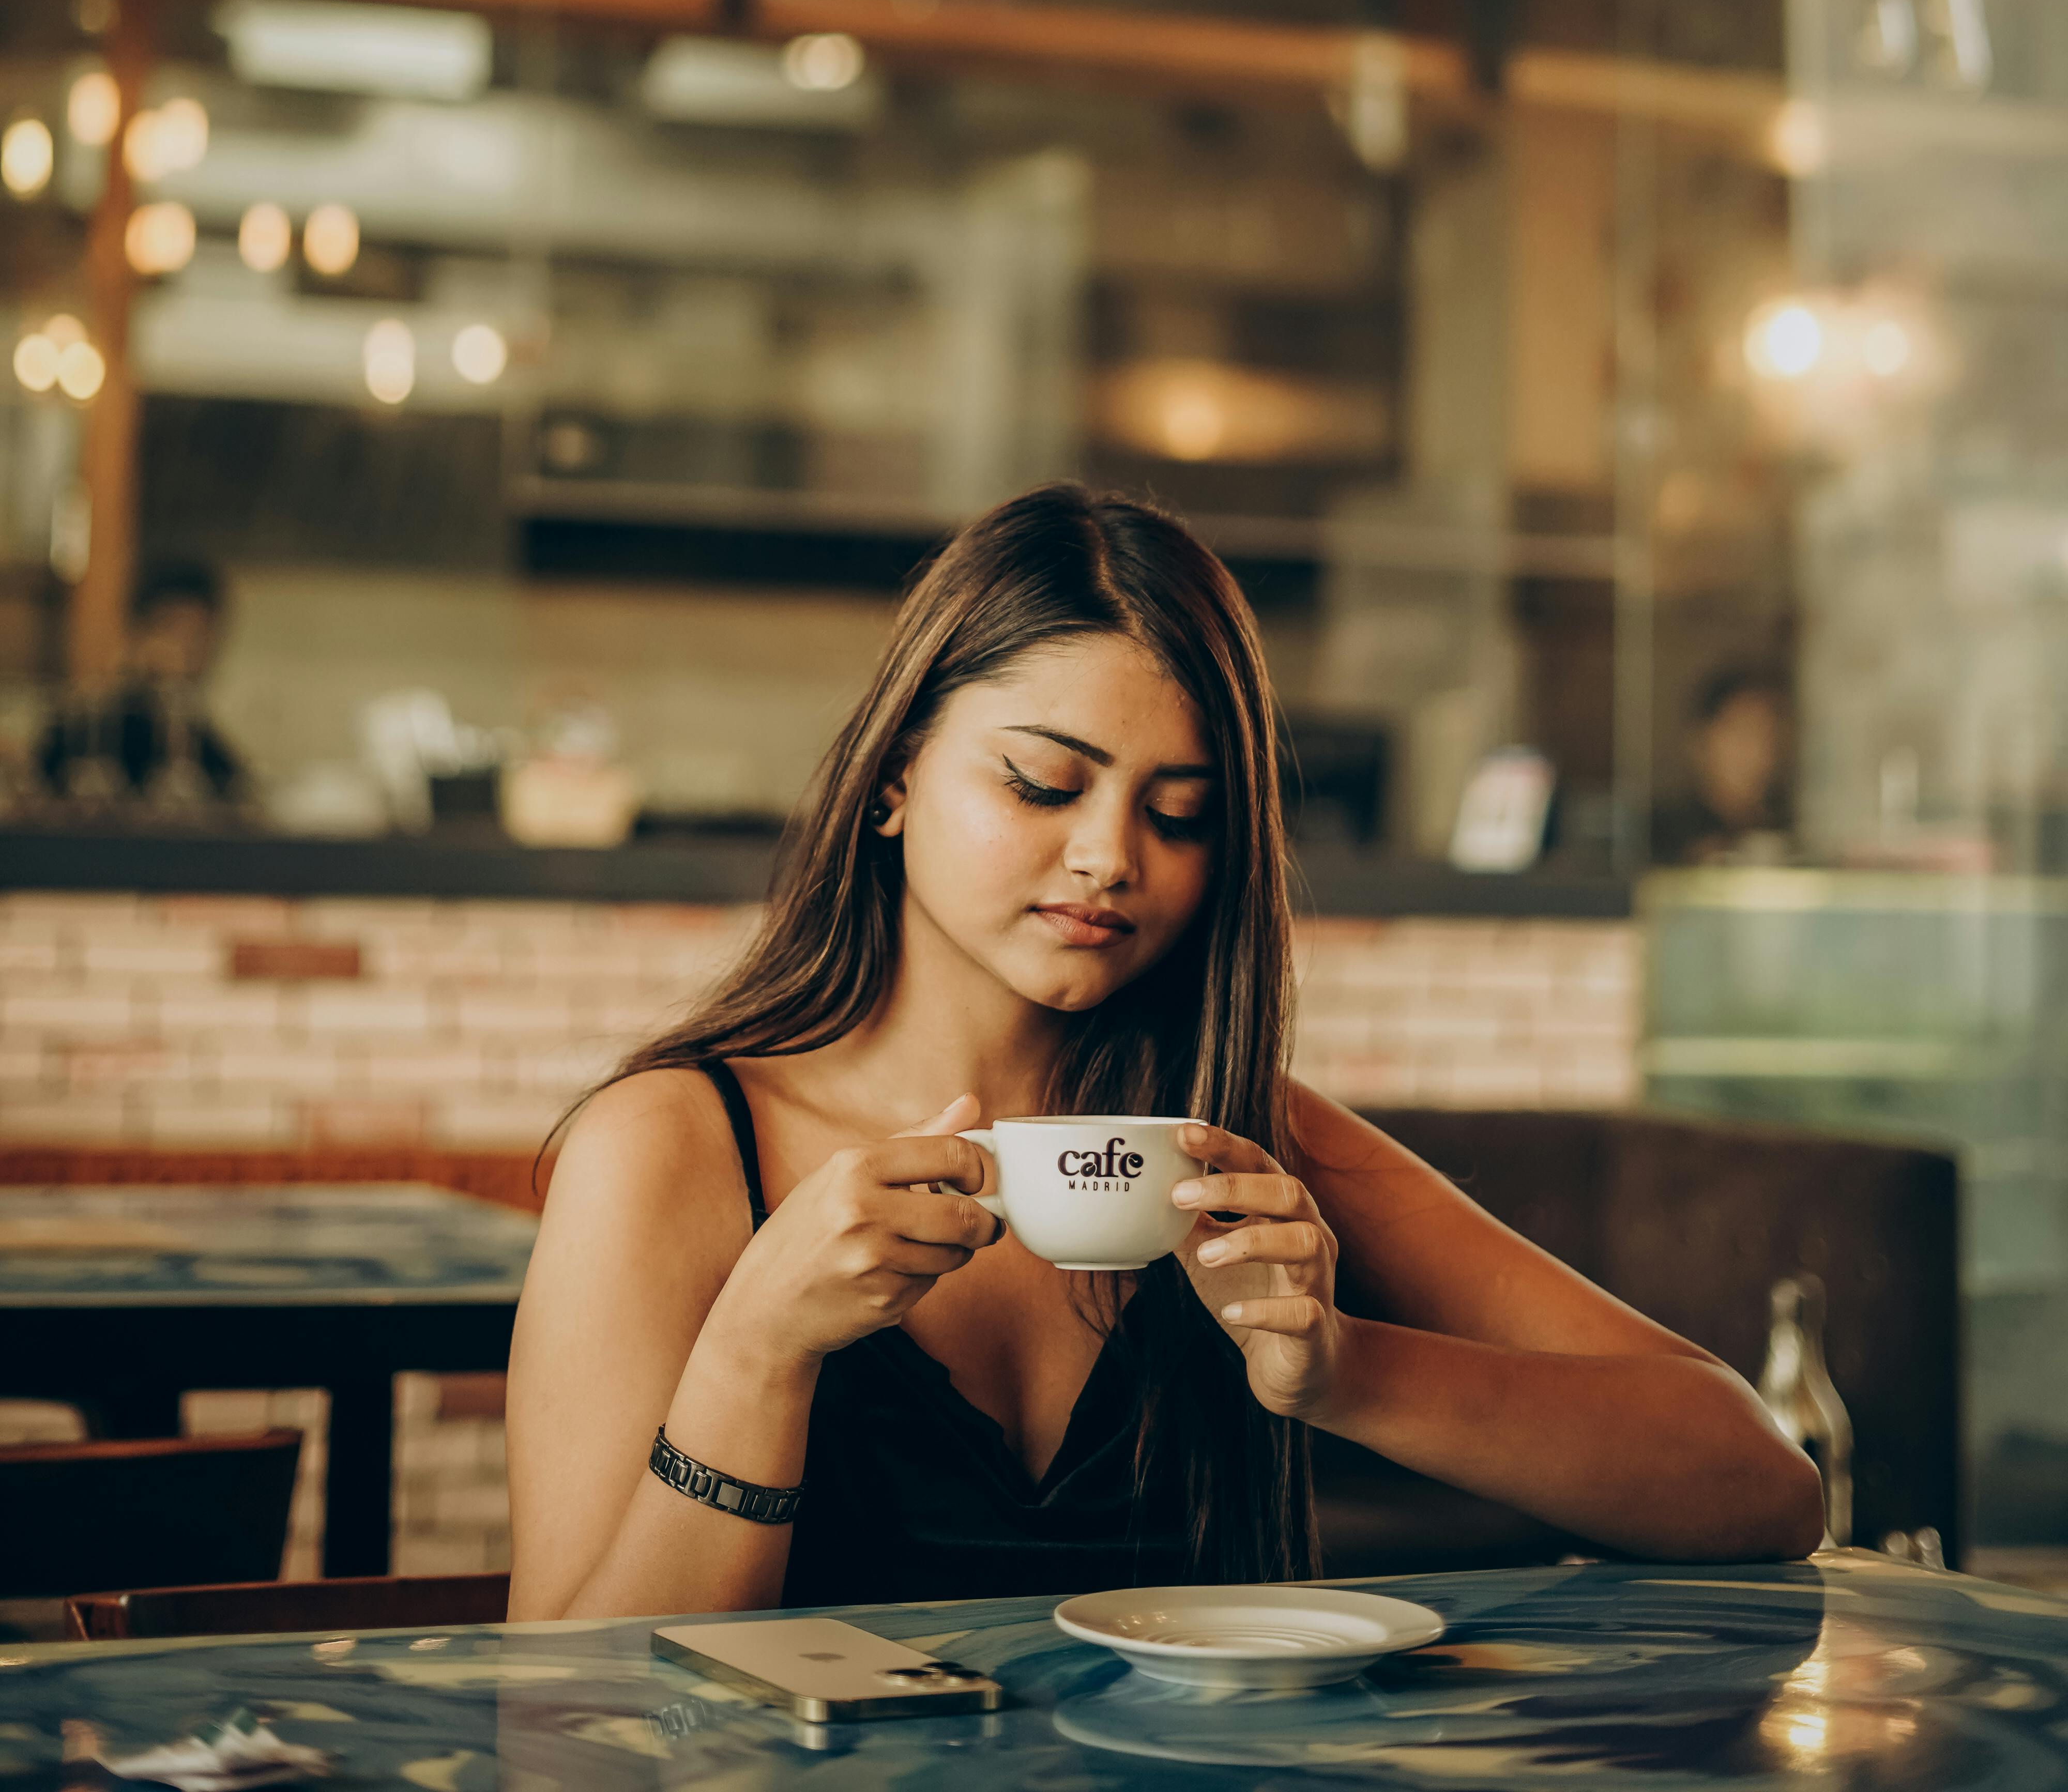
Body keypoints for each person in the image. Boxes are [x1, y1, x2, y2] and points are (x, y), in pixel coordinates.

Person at [506, 487, 1820, 1618]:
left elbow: (1759, 1483)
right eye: (1041, 782)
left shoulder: (1238, 1146)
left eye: (1180, 814)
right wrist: (756, 1353)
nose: (1110, 857)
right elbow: (563, 1722)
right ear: (896, 773)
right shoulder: (672, 1149)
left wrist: (1344, 1369)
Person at [34, 561, 247, 816]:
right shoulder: (89, 727)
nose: (186, 648)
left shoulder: (195, 737)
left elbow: (235, 788)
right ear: (137, 633)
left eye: (201, 634)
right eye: (174, 629)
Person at [1654, 665, 1795, 867]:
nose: (1757, 751)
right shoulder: (1661, 833)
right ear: (1701, 740)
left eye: (1767, 734)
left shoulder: (1788, 829)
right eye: (1743, 732)